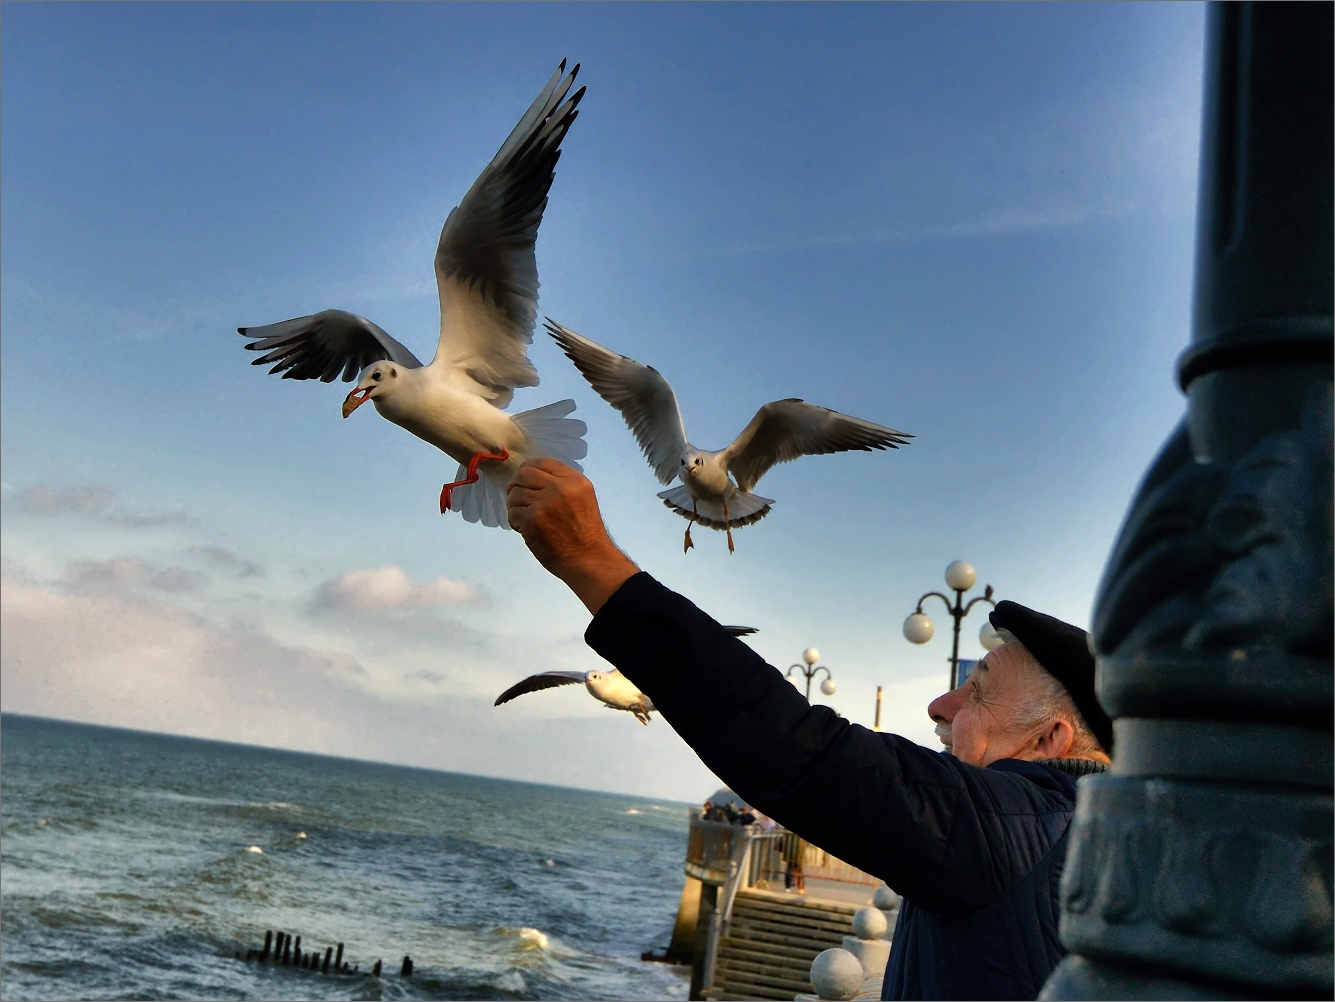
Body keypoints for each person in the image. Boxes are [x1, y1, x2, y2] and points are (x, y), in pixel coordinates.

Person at [506, 460, 1113, 1001]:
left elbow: (802, 754)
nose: (939, 705)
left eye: (976, 692)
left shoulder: (1016, 827)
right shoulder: (1099, 845)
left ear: (1048, 742)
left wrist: (594, 564)